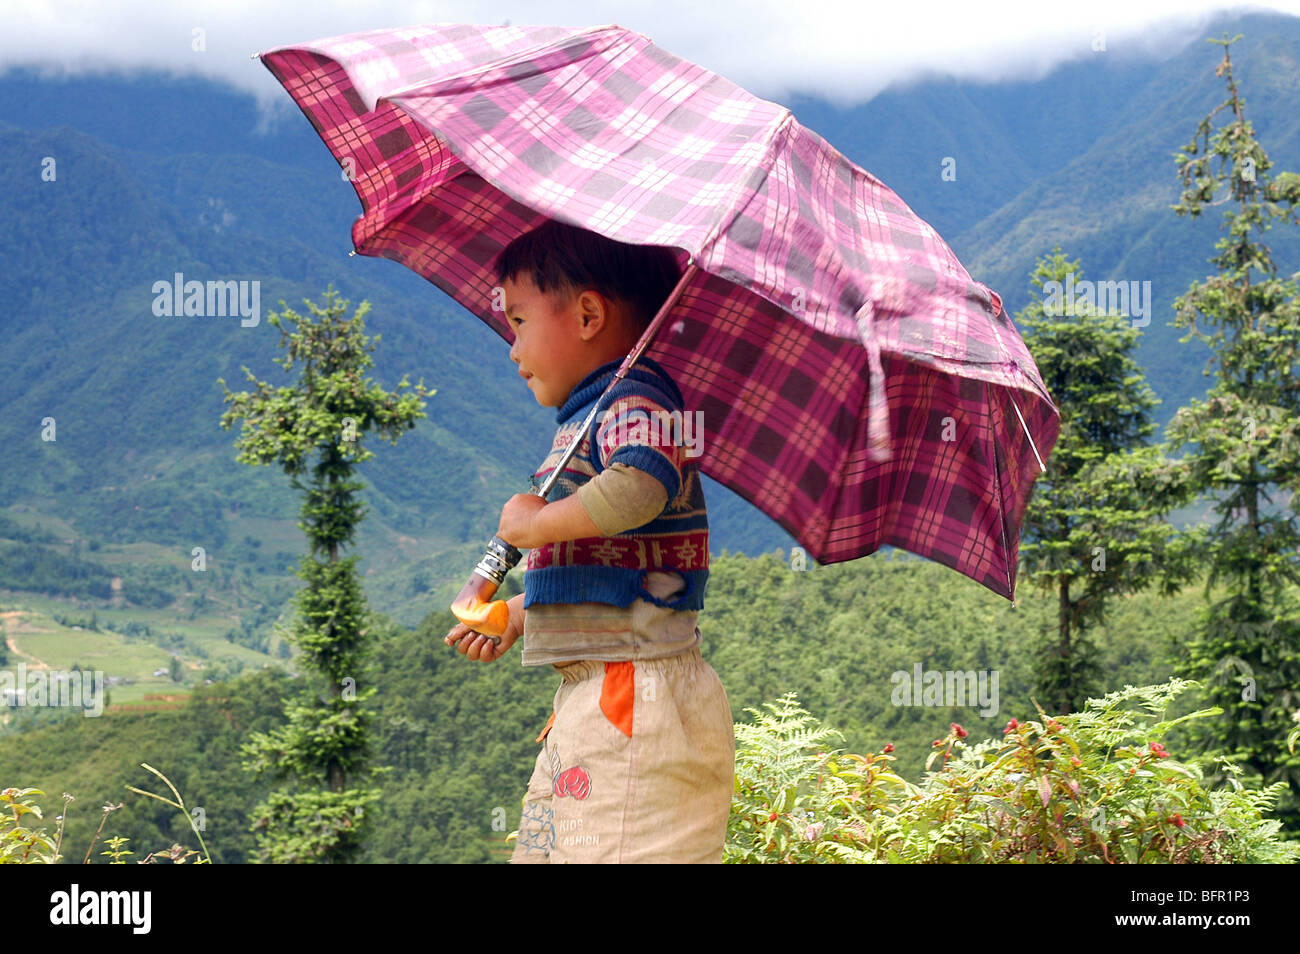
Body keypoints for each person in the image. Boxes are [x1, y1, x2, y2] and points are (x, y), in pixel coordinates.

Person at [443, 220, 734, 863]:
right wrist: (520, 614)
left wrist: (533, 527)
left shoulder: (636, 400)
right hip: (595, 699)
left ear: (587, 315)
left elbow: (640, 487)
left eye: (519, 321)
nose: (511, 347)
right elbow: (612, 565)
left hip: (634, 702)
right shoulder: (589, 415)